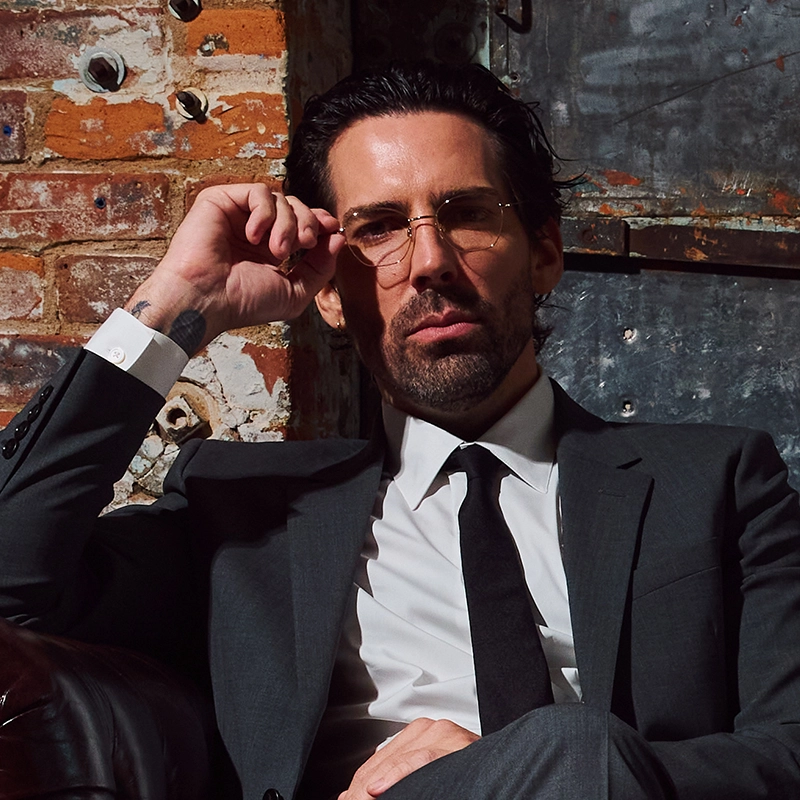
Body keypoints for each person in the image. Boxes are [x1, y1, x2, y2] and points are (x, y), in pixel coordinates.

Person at [1, 60, 799, 800]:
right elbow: (12, 585)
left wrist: (530, 766)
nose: (429, 262)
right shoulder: (243, 510)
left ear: (546, 252)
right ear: (330, 295)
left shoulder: (717, 480)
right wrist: (177, 301)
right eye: (378, 227)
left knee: (571, 744)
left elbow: (790, 749)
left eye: (466, 214)